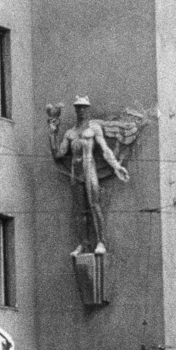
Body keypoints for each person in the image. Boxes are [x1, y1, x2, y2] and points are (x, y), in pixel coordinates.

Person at [48, 95, 129, 255]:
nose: (81, 111)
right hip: (75, 172)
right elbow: (59, 154)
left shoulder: (93, 129)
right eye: (78, 108)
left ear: (88, 109)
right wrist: (53, 133)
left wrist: (116, 166)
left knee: (94, 205)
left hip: (89, 168)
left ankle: (100, 241)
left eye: (84, 108)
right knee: (79, 211)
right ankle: (83, 244)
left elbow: (105, 150)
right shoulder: (70, 133)